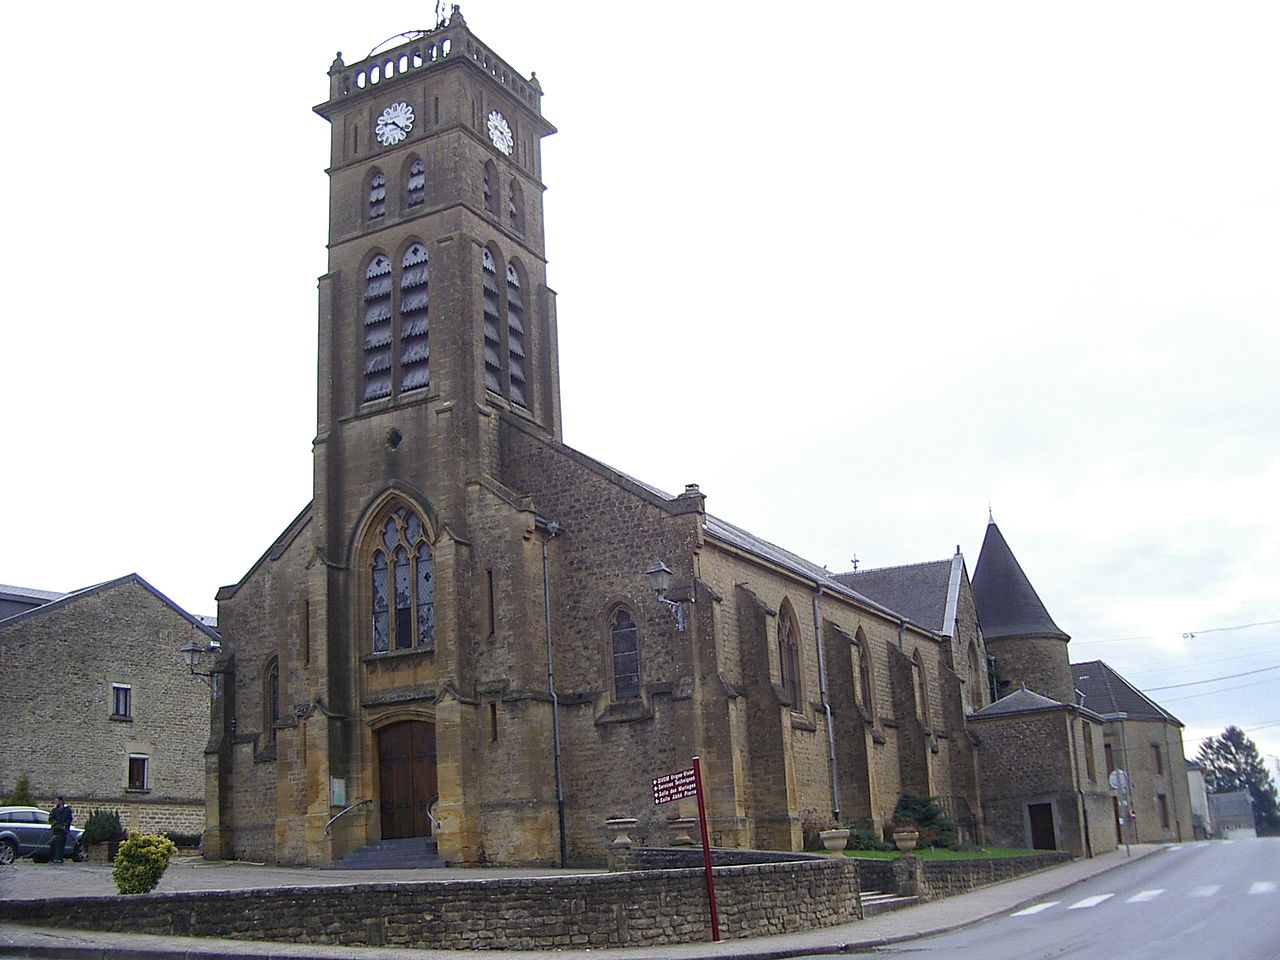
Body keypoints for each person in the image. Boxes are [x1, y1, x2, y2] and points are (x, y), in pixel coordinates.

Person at [48, 797, 73, 863]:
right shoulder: (54, 810)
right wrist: (54, 823)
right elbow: (50, 818)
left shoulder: (67, 810)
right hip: (56, 829)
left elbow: (69, 819)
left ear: (61, 801)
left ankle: (59, 858)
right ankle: (53, 858)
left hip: (63, 830)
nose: (56, 802)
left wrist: (65, 825)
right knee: (53, 843)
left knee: (61, 844)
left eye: (57, 801)